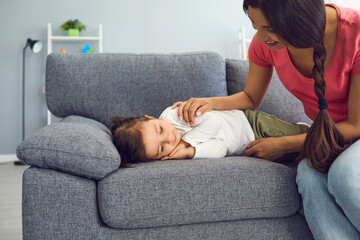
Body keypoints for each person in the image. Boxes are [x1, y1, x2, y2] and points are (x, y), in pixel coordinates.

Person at [172, 0, 360, 239]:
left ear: (299, 18)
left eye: (269, 27)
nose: (260, 38)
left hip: (354, 133)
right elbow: (251, 96)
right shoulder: (266, 44)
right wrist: (210, 103)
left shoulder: (355, 32)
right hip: (333, 140)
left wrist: (285, 144)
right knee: (308, 176)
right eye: (253, 24)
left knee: (342, 175)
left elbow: (355, 126)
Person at [111, 106, 308, 164]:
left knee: (312, 140)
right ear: (159, 157)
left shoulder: (174, 116)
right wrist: (191, 152)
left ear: (151, 117)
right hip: (253, 146)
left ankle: (305, 129)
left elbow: (215, 122)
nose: (169, 138)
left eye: (159, 129)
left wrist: (187, 142)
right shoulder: (178, 154)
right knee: (302, 157)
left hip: (252, 125)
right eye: (161, 148)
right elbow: (221, 148)